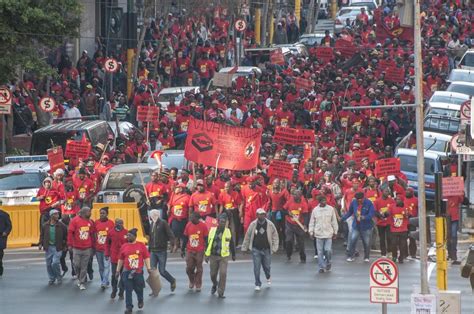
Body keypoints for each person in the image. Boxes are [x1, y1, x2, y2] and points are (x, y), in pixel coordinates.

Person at [241, 208, 279, 291]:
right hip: (256, 249)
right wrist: (244, 247)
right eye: (259, 214)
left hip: (266, 249)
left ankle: (268, 276)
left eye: (262, 214)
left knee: (267, 266)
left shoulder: (270, 224)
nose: (261, 216)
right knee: (256, 267)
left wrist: (275, 247)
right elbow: (247, 236)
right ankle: (257, 283)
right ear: (256, 215)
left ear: (265, 215)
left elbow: (275, 236)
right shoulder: (253, 224)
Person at [116, 228, 151, 314]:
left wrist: (148, 268)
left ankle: (140, 300)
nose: (128, 237)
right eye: (127, 235)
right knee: (128, 290)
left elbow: (146, 257)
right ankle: (129, 307)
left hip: (138, 272)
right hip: (127, 272)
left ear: (135, 236)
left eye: (130, 235)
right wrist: (117, 270)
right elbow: (120, 259)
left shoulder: (141, 245)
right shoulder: (124, 246)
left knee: (139, 289)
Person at [205, 214, 235, 298]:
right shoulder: (212, 230)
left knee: (223, 273)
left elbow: (231, 243)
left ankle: (221, 291)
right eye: (221, 222)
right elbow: (208, 243)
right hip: (213, 256)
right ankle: (215, 284)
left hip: (223, 256)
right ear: (218, 222)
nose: (222, 223)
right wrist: (206, 255)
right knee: (213, 274)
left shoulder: (228, 231)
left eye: (224, 222)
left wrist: (234, 254)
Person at [148, 209, 177, 294]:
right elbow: (151, 237)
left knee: (162, 271)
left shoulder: (163, 223)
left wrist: (173, 245)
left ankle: (172, 281)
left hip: (161, 251)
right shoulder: (152, 223)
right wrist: (149, 248)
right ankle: (155, 290)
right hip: (153, 251)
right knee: (153, 271)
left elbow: (170, 234)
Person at [308, 195, 339, 273]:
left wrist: (335, 232)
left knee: (328, 250)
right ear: (319, 202)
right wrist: (311, 232)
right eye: (323, 201)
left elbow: (334, 221)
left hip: (328, 233)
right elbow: (312, 222)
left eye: (325, 200)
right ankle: (321, 266)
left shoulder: (330, 209)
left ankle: (328, 262)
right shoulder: (315, 210)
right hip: (318, 234)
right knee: (320, 252)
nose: (324, 202)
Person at [342, 192, 375, 262]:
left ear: (364, 198)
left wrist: (364, 217)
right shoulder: (354, 202)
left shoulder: (369, 203)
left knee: (366, 242)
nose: (359, 201)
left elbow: (371, 214)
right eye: (357, 200)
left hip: (366, 226)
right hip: (356, 226)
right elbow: (350, 212)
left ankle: (366, 257)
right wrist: (343, 218)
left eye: (360, 200)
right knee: (352, 240)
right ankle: (351, 256)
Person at [68, 206, 95, 290]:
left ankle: (81, 282)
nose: (90, 213)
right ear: (83, 212)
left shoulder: (90, 222)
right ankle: (79, 276)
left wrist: (93, 247)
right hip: (76, 248)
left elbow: (92, 235)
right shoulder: (74, 221)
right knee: (76, 264)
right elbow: (70, 233)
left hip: (87, 248)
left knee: (84, 266)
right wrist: (70, 245)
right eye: (89, 212)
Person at [182, 212, 209, 292]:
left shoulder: (203, 226)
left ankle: (198, 284)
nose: (190, 219)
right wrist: (183, 249)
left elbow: (206, 238)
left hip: (199, 251)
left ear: (197, 218)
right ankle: (192, 280)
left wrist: (207, 249)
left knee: (199, 268)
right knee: (189, 268)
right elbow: (185, 238)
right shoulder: (188, 225)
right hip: (190, 250)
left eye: (192, 217)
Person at [39, 209, 68, 284]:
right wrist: (40, 244)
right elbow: (42, 235)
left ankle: (58, 276)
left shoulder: (61, 225)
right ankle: (51, 278)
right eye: (55, 214)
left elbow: (66, 235)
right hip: (48, 247)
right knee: (48, 264)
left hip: (58, 247)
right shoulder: (45, 225)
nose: (57, 216)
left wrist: (65, 245)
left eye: (58, 214)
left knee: (55, 263)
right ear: (51, 216)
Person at [283, 190, 309, 262]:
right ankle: (288, 254)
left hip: (299, 225)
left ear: (300, 196)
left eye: (296, 195)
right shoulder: (290, 200)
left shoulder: (303, 203)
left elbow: (306, 215)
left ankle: (302, 257)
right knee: (289, 240)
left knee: (301, 242)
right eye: (294, 194)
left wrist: (305, 225)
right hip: (289, 223)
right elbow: (284, 210)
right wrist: (288, 213)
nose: (294, 196)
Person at [106, 218, 127, 300]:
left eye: (121, 223)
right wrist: (107, 254)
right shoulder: (110, 232)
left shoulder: (126, 232)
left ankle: (121, 292)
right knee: (114, 275)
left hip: (124, 259)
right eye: (118, 223)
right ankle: (114, 290)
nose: (119, 224)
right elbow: (107, 244)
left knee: (123, 276)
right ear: (115, 224)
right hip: (114, 258)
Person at [94, 207, 114, 289]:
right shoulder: (96, 222)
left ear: (107, 214)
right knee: (101, 267)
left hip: (107, 250)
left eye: (103, 213)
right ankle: (104, 280)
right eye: (101, 213)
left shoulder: (111, 223)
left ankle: (104, 282)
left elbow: (113, 236)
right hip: (98, 249)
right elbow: (94, 234)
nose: (101, 214)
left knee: (106, 266)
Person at [387, 194, 409, 263]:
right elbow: (388, 212)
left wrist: (406, 214)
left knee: (402, 245)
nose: (397, 201)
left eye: (399, 199)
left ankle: (401, 257)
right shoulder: (391, 206)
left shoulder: (406, 207)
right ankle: (394, 256)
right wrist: (386, 213)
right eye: (396, 199)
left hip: (403, 229)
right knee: (393, 244)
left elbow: (409, 215)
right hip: (394, 229)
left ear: (402, 200)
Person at [0, 207, 12, 277]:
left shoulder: (4, 214)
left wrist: (5, 232)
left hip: (1, 236)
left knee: (0, 254)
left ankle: (0, 268)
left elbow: (9, 226)